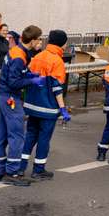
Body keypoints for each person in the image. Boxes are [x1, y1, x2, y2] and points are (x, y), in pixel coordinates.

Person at [0, 25, 46, 186]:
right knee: (17, 136)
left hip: (3, 96)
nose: (40, 43)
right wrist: (32, 80)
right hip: (10, 98)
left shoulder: (16, 51)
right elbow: (14, 81)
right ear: (33, 40)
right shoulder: (19, 56)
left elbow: (14, 73)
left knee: (1, 136)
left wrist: (29, 74)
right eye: (39, 39)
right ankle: (12, 172)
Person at [20, 29, 71, 180]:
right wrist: (63, 109)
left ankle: (21, 167)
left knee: (30, 136)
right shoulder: (57, 61)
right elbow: (57, 88)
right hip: (48, 108)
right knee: (43, 138)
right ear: (62, 43)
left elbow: (27, 77)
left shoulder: (38, 56)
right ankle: (38, 169)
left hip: (32, 105)